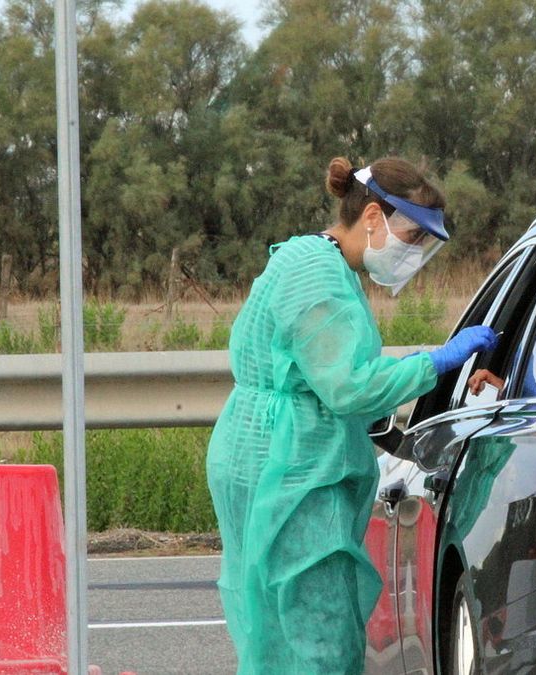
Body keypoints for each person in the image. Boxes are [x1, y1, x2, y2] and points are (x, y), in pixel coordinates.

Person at [206, 156, 498, 674]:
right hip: (291, 472)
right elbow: (348, 387)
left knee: (274, 628)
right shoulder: (319, 280)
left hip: (273, 454)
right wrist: (436, 362)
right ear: (371, 216)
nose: (413, 251)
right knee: (319, 636)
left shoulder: (311, 259)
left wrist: (414, 381)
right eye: (411, 236)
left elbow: (325, 372)